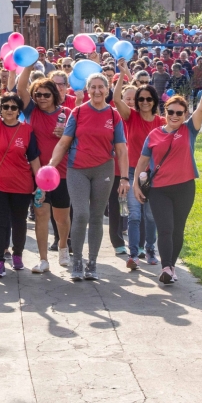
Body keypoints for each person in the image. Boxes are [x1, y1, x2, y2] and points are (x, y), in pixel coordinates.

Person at [134, 69, 202, 284]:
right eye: (171, 112)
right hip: (159, 189)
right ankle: (167, 267)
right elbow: (142, 162)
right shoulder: (154, 134)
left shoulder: (190, 130)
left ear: (185, 114)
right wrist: (135, 184)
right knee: (166, 228)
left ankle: (171, 265)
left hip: (184, 187)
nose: (175, 116)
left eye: (179, 113)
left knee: (178, 228)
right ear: (165, 111)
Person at [48, 73, 129, 281]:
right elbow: (64, 142)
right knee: (81, 214)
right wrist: (50, 167)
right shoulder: (77, 112)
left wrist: (125, 178)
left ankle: (92, 263)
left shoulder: (114, 116)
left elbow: (121, 149)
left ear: (107, 89)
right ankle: (77, 262)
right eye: (92, 87)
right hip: (77, 169)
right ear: (87, 90)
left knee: (96, 216)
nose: (96, 91)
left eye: (101, 87)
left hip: (104, 170)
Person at [0, 63, 43, 278]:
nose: (9, 110)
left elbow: (34, 159)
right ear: (1, 109)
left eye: (13, 107)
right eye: (5, 107)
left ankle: (17, 255)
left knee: (19, 222)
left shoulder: (27, 131)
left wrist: (40, 185)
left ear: (19, 111)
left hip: (22, 185)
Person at [16, 66, 72, 273]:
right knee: (41, 214)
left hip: (62, 173)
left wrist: (65, 134)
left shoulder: (67, 114)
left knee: (62, 217)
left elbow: (77, 141)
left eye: (46, 95)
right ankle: (43, 259)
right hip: (38, 173)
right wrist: (29, 65)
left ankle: (63, 247)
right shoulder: (32, 111)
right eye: (37, 95)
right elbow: (21, 88)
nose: (41, 98)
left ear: (55, 95)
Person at [113, 60, 165, 269]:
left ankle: (150, 250)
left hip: (153, 174)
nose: (143, 102)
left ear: (153, 101)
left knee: (150, 216)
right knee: (134, 215)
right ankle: (133, 255)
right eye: (140, 99)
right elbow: (116, 99)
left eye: (147, 99)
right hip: (134, 172)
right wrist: (122, 75)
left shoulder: (161, 122)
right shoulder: (130, 117)